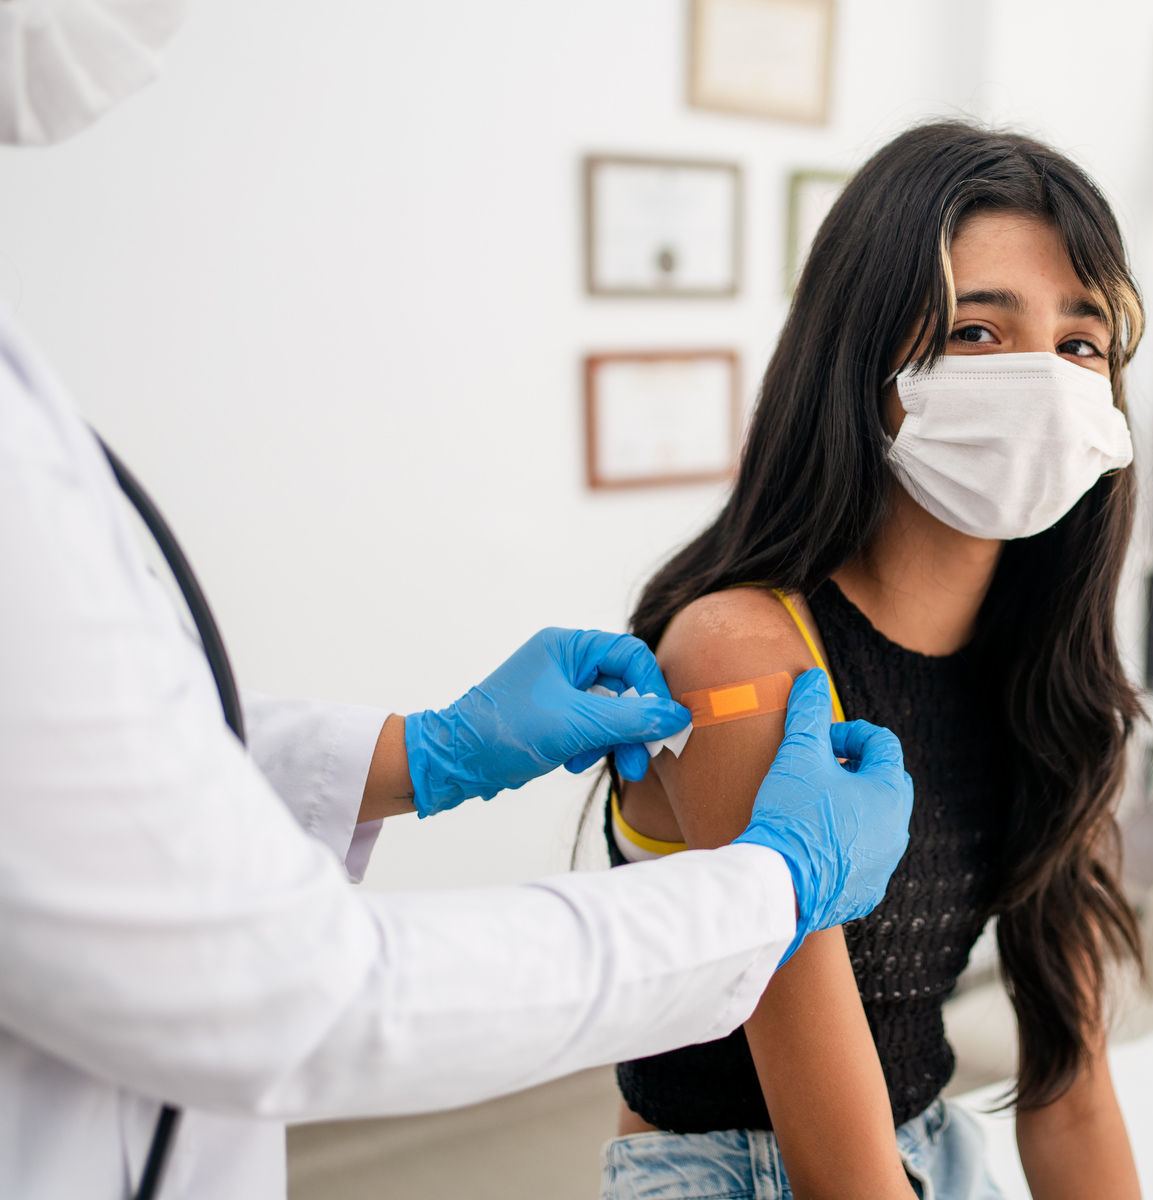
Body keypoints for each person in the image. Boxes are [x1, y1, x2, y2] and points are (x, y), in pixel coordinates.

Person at [0, 5, 914, 1198]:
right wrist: (772, 885)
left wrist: (411, 756)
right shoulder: (739, 639)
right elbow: (296, 993)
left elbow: (76, 761)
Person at [596, 122, 1147, 1200]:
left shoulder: (1043, 674)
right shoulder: (743, 653)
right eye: (980, 331)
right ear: (864, 357)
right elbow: (838, 1172)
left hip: (934, 1152)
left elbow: (1072, 1097)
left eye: (1081, 344)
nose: (1042, 376)